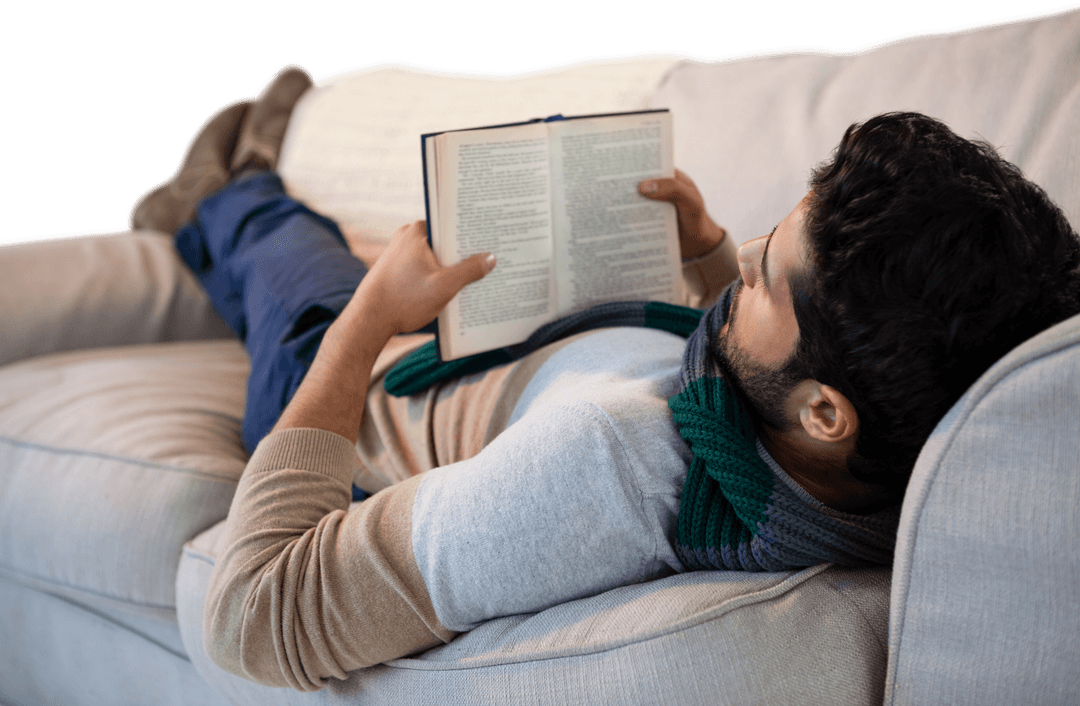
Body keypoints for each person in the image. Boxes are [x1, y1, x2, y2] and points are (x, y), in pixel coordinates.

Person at [128, 63, 1080, 691]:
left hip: (387, 400)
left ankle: (227, 177)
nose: (746, 252)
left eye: (761, 275)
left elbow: (255, 616)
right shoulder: (907, 461)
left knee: (296, 270)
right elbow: (779, 394)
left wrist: (373, 321)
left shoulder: (606, 469)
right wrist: (711, 260)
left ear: (827, 411)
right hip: (551, 344)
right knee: (396, 247)